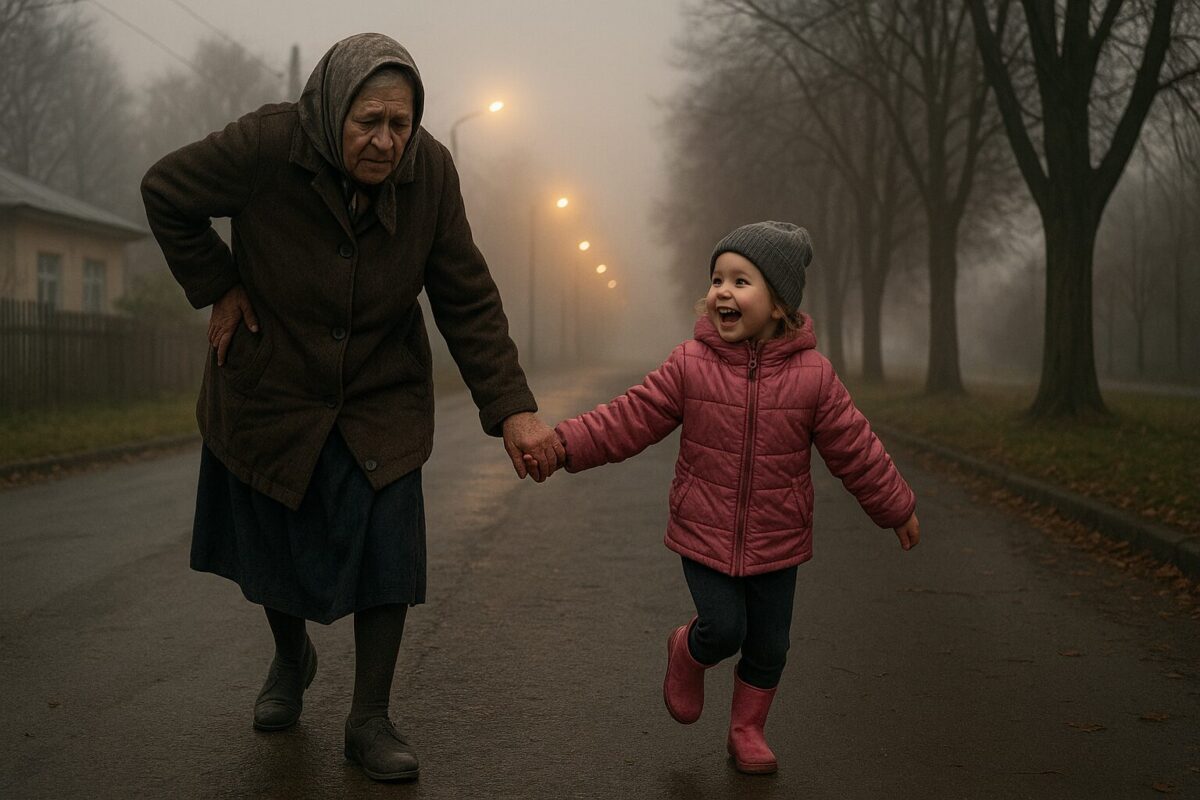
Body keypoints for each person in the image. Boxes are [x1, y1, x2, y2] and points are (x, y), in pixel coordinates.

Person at [141, 32, 563, 782]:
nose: (386, 141)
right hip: (274, 383)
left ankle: (369, 717)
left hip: (379, 389)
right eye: (369, 121)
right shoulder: (267, 145)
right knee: (274, 534)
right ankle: (290, 656)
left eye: (400, 123)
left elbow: (465, 294)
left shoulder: (431, 171)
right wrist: (219, 283)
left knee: (387, 549)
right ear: (333, 108)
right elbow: (165, 191)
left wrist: (513, 410)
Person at [547, 221, 920, 774]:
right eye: (718, 279)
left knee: (770, 646)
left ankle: (747, 731)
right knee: (724, 629)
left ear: (779, 304)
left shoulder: (814, 377)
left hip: (778, 537)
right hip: (704, 530)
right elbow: (630, 417)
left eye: (741, 281)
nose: (723, 291)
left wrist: (896, 506)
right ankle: (687, 650)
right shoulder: (689, 365)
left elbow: (855, 448)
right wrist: (564, 445)